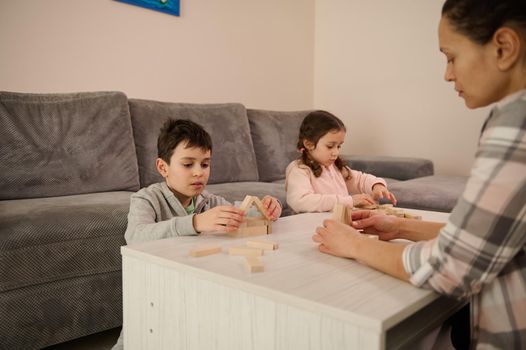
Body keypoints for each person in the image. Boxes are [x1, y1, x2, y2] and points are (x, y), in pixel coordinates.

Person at [312, 0, 526, 349]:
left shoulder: (515, 123)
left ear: (503, 47)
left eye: (451, 56)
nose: (448, 73)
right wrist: (400, 226)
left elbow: (451, 267)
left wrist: (353, 244)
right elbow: (491, 238)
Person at [111, 118, 282, 349]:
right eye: (188, 164)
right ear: (163, 167)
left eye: (205, 164)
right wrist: (195, 222)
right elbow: (135, 237)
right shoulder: (146, 198)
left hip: (191, 291)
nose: (198, 173)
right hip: (156, 292)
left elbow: (239, 213)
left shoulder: (209, 201)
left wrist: (266, 207)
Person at [285, 110, 396, 213]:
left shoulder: (335, 167)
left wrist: (376, 185)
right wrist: (349, 201)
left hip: (336, 225)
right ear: (309, 144)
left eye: (338, 146)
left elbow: (359, 179)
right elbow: (302, 202)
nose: (335, 153)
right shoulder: (299, 170)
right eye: (330, 146)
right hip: (310, 228)